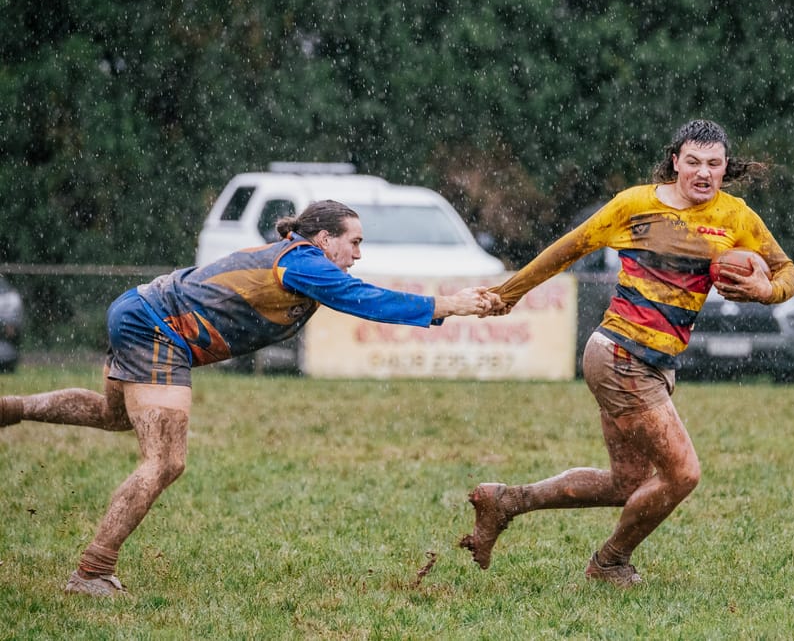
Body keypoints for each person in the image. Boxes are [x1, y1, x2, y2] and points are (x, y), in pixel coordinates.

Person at [0, 199, 499, 597]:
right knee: (165, 460)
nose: (358, 254)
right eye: (354, 242)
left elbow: (358, 292)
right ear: (325, 239)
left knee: (114, 416)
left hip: (141, 308)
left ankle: (13, 408)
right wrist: (446, 305)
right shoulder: (302, 261)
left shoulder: (300, 260)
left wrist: (445, 308)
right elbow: (366, 299)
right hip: (158, 327)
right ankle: (92, 571)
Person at [460, 119, 794, 587]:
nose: (703, 173)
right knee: (682, 475)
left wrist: (767, 290)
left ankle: (506, 500)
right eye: (694, 162)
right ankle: (609, 563)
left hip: (656, 363)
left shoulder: (736, 217)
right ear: (675, 162)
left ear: (725, 168)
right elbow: (567, 250)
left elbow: (788, 272)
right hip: (620, 355)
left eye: (714, 164)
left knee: (629, 483)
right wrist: (510, 292)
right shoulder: (635, 204)